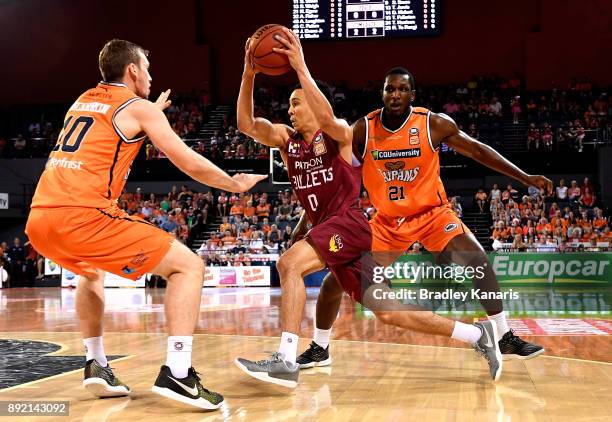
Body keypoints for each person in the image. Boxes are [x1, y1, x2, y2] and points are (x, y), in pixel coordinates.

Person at [233, 29, 504, 388]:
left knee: (289, 264)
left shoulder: (340, 134)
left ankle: (285, 358)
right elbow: (246, 124)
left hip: (345, 225)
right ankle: (477, 336)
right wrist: (249, 72)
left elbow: (328, 119)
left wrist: (300, 66)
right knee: (388, 311)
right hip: (339, 235)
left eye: (296, 104)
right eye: (289, 106)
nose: (291, 110)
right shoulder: (287, 141)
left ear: (313, 105)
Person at [25, 39, 265, 410]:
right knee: (189, 266)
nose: (151, 76)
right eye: (147, 69)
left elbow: (112, 126)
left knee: (89, 273)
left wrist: (148, 110)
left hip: (40, 216)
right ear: (133, 70)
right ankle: (179, 373)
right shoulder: (138, 108)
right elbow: (185, 159)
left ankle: (96, 364)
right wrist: (233, 183)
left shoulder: (83, 100)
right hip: (83, 215)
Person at [295, 66, 550, 370]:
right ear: (382, 94)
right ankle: (320, 347)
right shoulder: (362, 129)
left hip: (433, 215)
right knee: (333, 281)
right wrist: (305, 218)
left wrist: (524, 177)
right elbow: (333, 177)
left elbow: (478, 152)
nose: (395, 95)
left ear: (412, 95)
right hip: (387, 223)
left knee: (477, 259)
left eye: (402, 89)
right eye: (390, 89)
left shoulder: (433, 124)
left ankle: (504, 335)